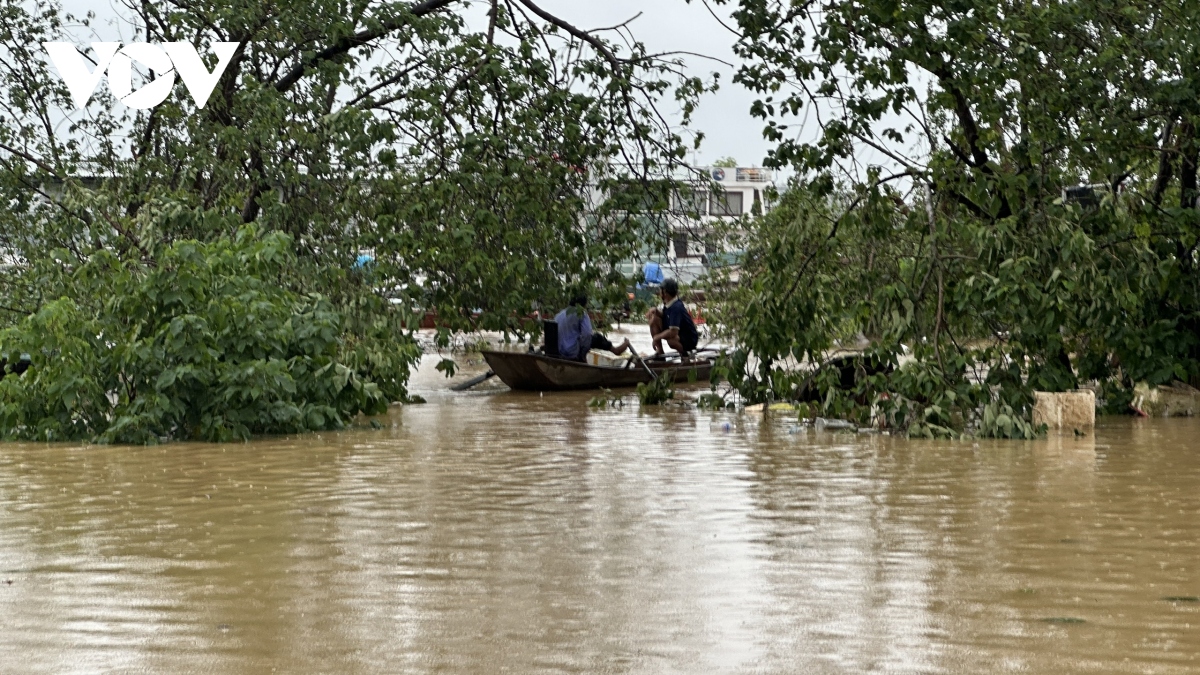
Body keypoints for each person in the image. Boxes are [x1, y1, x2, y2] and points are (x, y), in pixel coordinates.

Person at [554, 294, 632, 361]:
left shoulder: (559, 315)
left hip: (559, 351)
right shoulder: (582, 314)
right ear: (583, 304)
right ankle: (615, 350)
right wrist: (583, 354)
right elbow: (587, 334)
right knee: (597, 337)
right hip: (572, 352)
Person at [645, 278, 699, 355]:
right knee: (655, 319)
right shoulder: (669, 303)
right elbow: (666, 316)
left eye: (661, 290)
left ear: (665, 292)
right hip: (679, 334)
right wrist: (656, 311)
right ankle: (660, 352)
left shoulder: (676, 307)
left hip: (689, 339)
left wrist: (656, 337)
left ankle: (684, 355)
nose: (659, 292)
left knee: (671, 340)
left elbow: (673, 332)